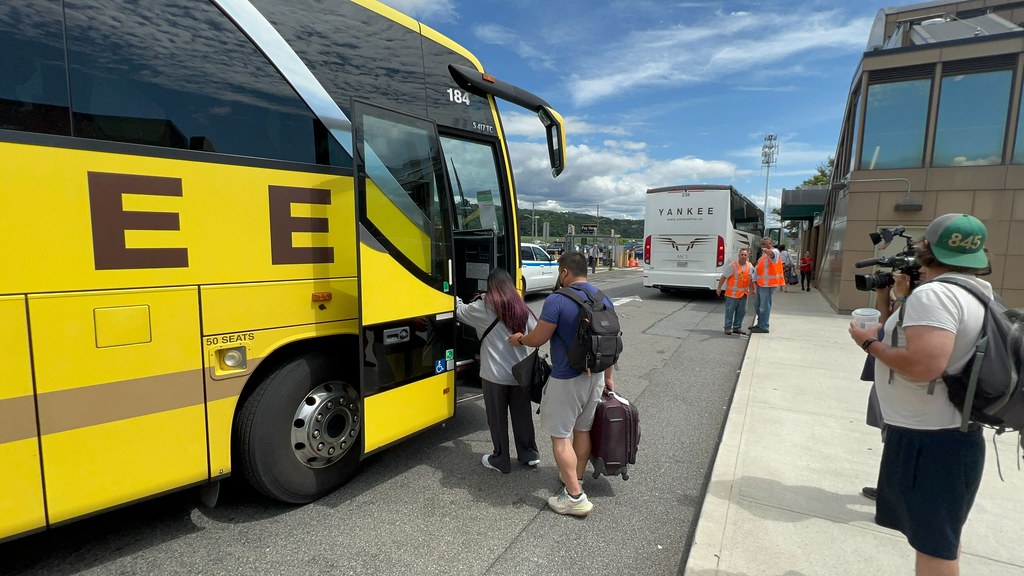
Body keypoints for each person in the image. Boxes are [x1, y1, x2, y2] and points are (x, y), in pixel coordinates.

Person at [848, 213, 990, 576]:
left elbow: (924, 365)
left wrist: (869, 344)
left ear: (927, 247)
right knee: (939, 539)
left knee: (934, 549)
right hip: (948, 433)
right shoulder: (975, 290)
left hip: (930, 440)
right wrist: (897, 297)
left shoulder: (937, 295)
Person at [508, 250, 615, 517]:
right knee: (582, 431)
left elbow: (538, 339)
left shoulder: (557, 300)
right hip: (596, 377)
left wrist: (520, 339)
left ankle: (575, 498)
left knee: (560, 438)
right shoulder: (603, 298)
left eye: (559, 271)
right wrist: (610, 377)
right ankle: (574, 480)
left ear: (565, 271)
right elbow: (609, 341)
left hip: (567, 379)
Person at [456, 268, 541, 474]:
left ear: (490, 286)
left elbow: (459, 311)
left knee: (497, 418)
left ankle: (501, 459)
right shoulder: (521, 308)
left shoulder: (483, 306)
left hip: (494, 376)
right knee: (522, 416)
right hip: (519, 374)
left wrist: (453, 292)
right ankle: (529, 454)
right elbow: (536, 331)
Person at [715, 248, 754, 335]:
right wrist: (719, 288)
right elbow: (724, 277)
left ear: (748, 256)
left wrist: (754, 289)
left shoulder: (750, 266)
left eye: (745, 255)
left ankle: (737, 327)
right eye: (742, 254)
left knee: (742, 311)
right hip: (732, 294)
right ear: (738, 256)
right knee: (730, 311)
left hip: (744, 294)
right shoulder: (732, 265)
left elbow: (751, 279)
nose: (743, 256)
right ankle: (728, 328)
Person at [749, 237, 783, 333]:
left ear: (771, 243)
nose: (763, 246)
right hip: (761, 284)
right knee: (757, 305)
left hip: (768, 285)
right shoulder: (763, 255)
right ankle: (760, 323)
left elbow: (773, 256)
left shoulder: (774, 251)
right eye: (762, 244)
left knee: (764, 306)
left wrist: (766, 250)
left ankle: (764, 326)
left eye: (765, 244)